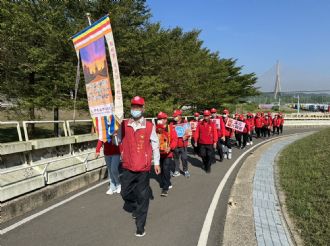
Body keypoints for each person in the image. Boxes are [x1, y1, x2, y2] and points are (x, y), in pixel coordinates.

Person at [120, 96, 161, 237]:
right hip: (128, 166)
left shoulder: (149, 126)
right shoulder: (124, 124)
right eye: (133, 107)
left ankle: (140, 226)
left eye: (138, 107)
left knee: (143, 197)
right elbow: (116, 140)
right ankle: (135, 206)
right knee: (124, 193)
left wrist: (156, 163)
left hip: (143, 168)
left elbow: (155, 145)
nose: (135, 109)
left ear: (143, 109)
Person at [170, 109, 191, 178]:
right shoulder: (171, 124)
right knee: (176, 158)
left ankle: (185, 170)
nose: (174, 117)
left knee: (184, 158)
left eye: (176, 116)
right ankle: (177, 170)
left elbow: (189, 132)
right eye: (174, 116)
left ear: (180, 116)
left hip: (183, 144)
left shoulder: (185, 122)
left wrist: (186, 136)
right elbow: (169, 133)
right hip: (175, 144)